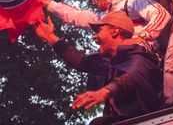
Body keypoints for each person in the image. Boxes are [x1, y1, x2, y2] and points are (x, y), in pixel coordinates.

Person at [33, 11, 162, 124]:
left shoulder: (140, 56)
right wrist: (50, 37)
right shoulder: (106, 61)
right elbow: (80, 61)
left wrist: (105, 92)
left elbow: (132, 75)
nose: (94, 36)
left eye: (99, 31)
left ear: (115, 31)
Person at [47, 0, 171, 57]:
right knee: (95, 61)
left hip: (145, 53)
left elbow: (161, 14)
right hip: (121, 57)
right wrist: (49, 4)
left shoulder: (132, 1)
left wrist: (142, 37)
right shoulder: (104, 18)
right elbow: (78, 16)